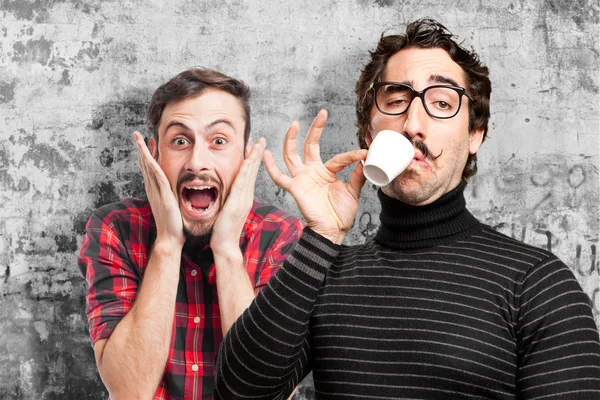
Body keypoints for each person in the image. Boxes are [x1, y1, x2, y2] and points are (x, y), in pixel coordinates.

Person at [214, 19, 600, 399]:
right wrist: (322, 235)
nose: (413, 123)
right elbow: (239, 392)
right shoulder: (323, 273)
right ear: (369, 131)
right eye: (397, 101)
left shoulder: (537, 284)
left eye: (442, 103)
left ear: (474, 136)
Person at [78, 68, 303, 400]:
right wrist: (167, 244)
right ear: (154, 154)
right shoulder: (115, 228)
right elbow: (128, 390)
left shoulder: (282, 235)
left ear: (245, 155)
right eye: (180, 141)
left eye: (219, 142)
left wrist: (226, 249)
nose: (198, 162)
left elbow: (265, 390)